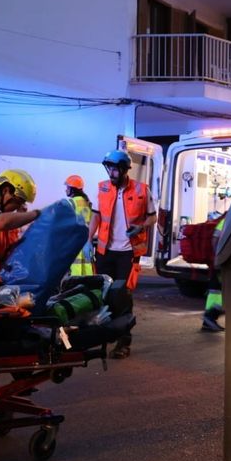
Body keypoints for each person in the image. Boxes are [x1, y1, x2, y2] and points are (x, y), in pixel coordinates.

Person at [88, 150, 156, 359]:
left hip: (127, 253)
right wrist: (87, 239)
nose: (112, 173)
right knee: (104, 295)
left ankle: (124, 342)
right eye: (109, 168)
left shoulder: (141, 189)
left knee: (123, 296)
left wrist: (140, 227)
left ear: (125, 170)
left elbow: (152, 217)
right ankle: (104, 335)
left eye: (116, 169)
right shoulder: (103, 188)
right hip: (105, 251)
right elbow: (96, 216)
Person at [64, 175, 94, 277]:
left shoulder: (71, 203)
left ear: (72, 189)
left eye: (67, 187)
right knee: (87, 269)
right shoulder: (87, 202)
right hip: (86, 241)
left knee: (75, 272)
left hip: (74, 242)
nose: (66, 190)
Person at [201, 216, 226, 332]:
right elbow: (215, 239)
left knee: (216, 290)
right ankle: (210, 317)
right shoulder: (229, 221)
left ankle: (209, 320)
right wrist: (219, 257)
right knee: (230, 292)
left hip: (219, 261)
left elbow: (215, 238)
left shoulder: (226, 220)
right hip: (223, 262)